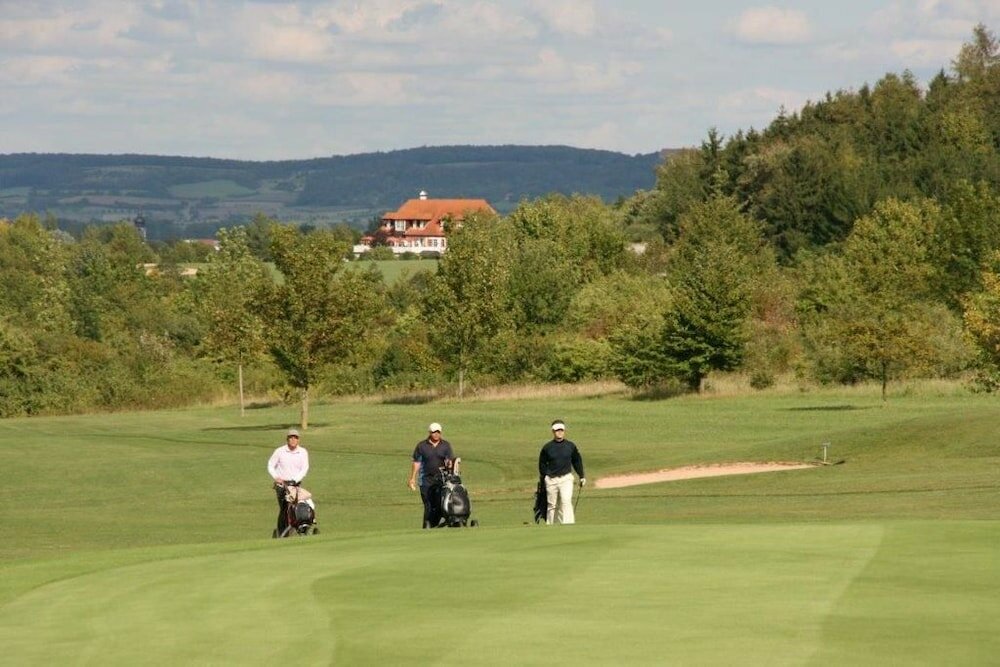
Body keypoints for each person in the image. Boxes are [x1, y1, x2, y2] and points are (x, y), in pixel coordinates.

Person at [407, 422, 455, 528]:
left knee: (439, 504)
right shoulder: (422, 446)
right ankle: (427, 527)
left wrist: (449, 465)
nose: (436, 434)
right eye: (434, 432)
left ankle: (433, 527)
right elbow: (416, 463)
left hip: (441, 480)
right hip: (425, 480)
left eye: (438, 432)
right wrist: (412, 478)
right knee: (428, 505)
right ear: (430, 433)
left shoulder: (445, 445)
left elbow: (450, 460)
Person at [538, 420, 585, 525]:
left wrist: (581, 476)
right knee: (552, 505)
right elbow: (542, 463)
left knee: (566, 501)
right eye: (557, 430)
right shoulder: (547, 447)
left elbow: (577, 461)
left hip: (566, 478)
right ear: (553, 432)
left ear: (564, 431)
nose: (559, 432)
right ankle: (550, 526)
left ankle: (568, 525)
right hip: (551, 479)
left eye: (561, 430)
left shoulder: (570, 446)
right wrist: (544, 476)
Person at [267, 428, 310, 535]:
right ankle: (282, 532)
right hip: (282, 485)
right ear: (287, 439)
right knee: (285, 508)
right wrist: (276, 477)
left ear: (298, 440)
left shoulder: (303, 452)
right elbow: (270, 465)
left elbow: (304, 468)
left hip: (295, 484)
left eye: (295, 438)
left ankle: (299, 526)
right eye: (291, 437)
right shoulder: (280, 451)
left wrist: (295, 480)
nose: (293, 440)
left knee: (299, 505)